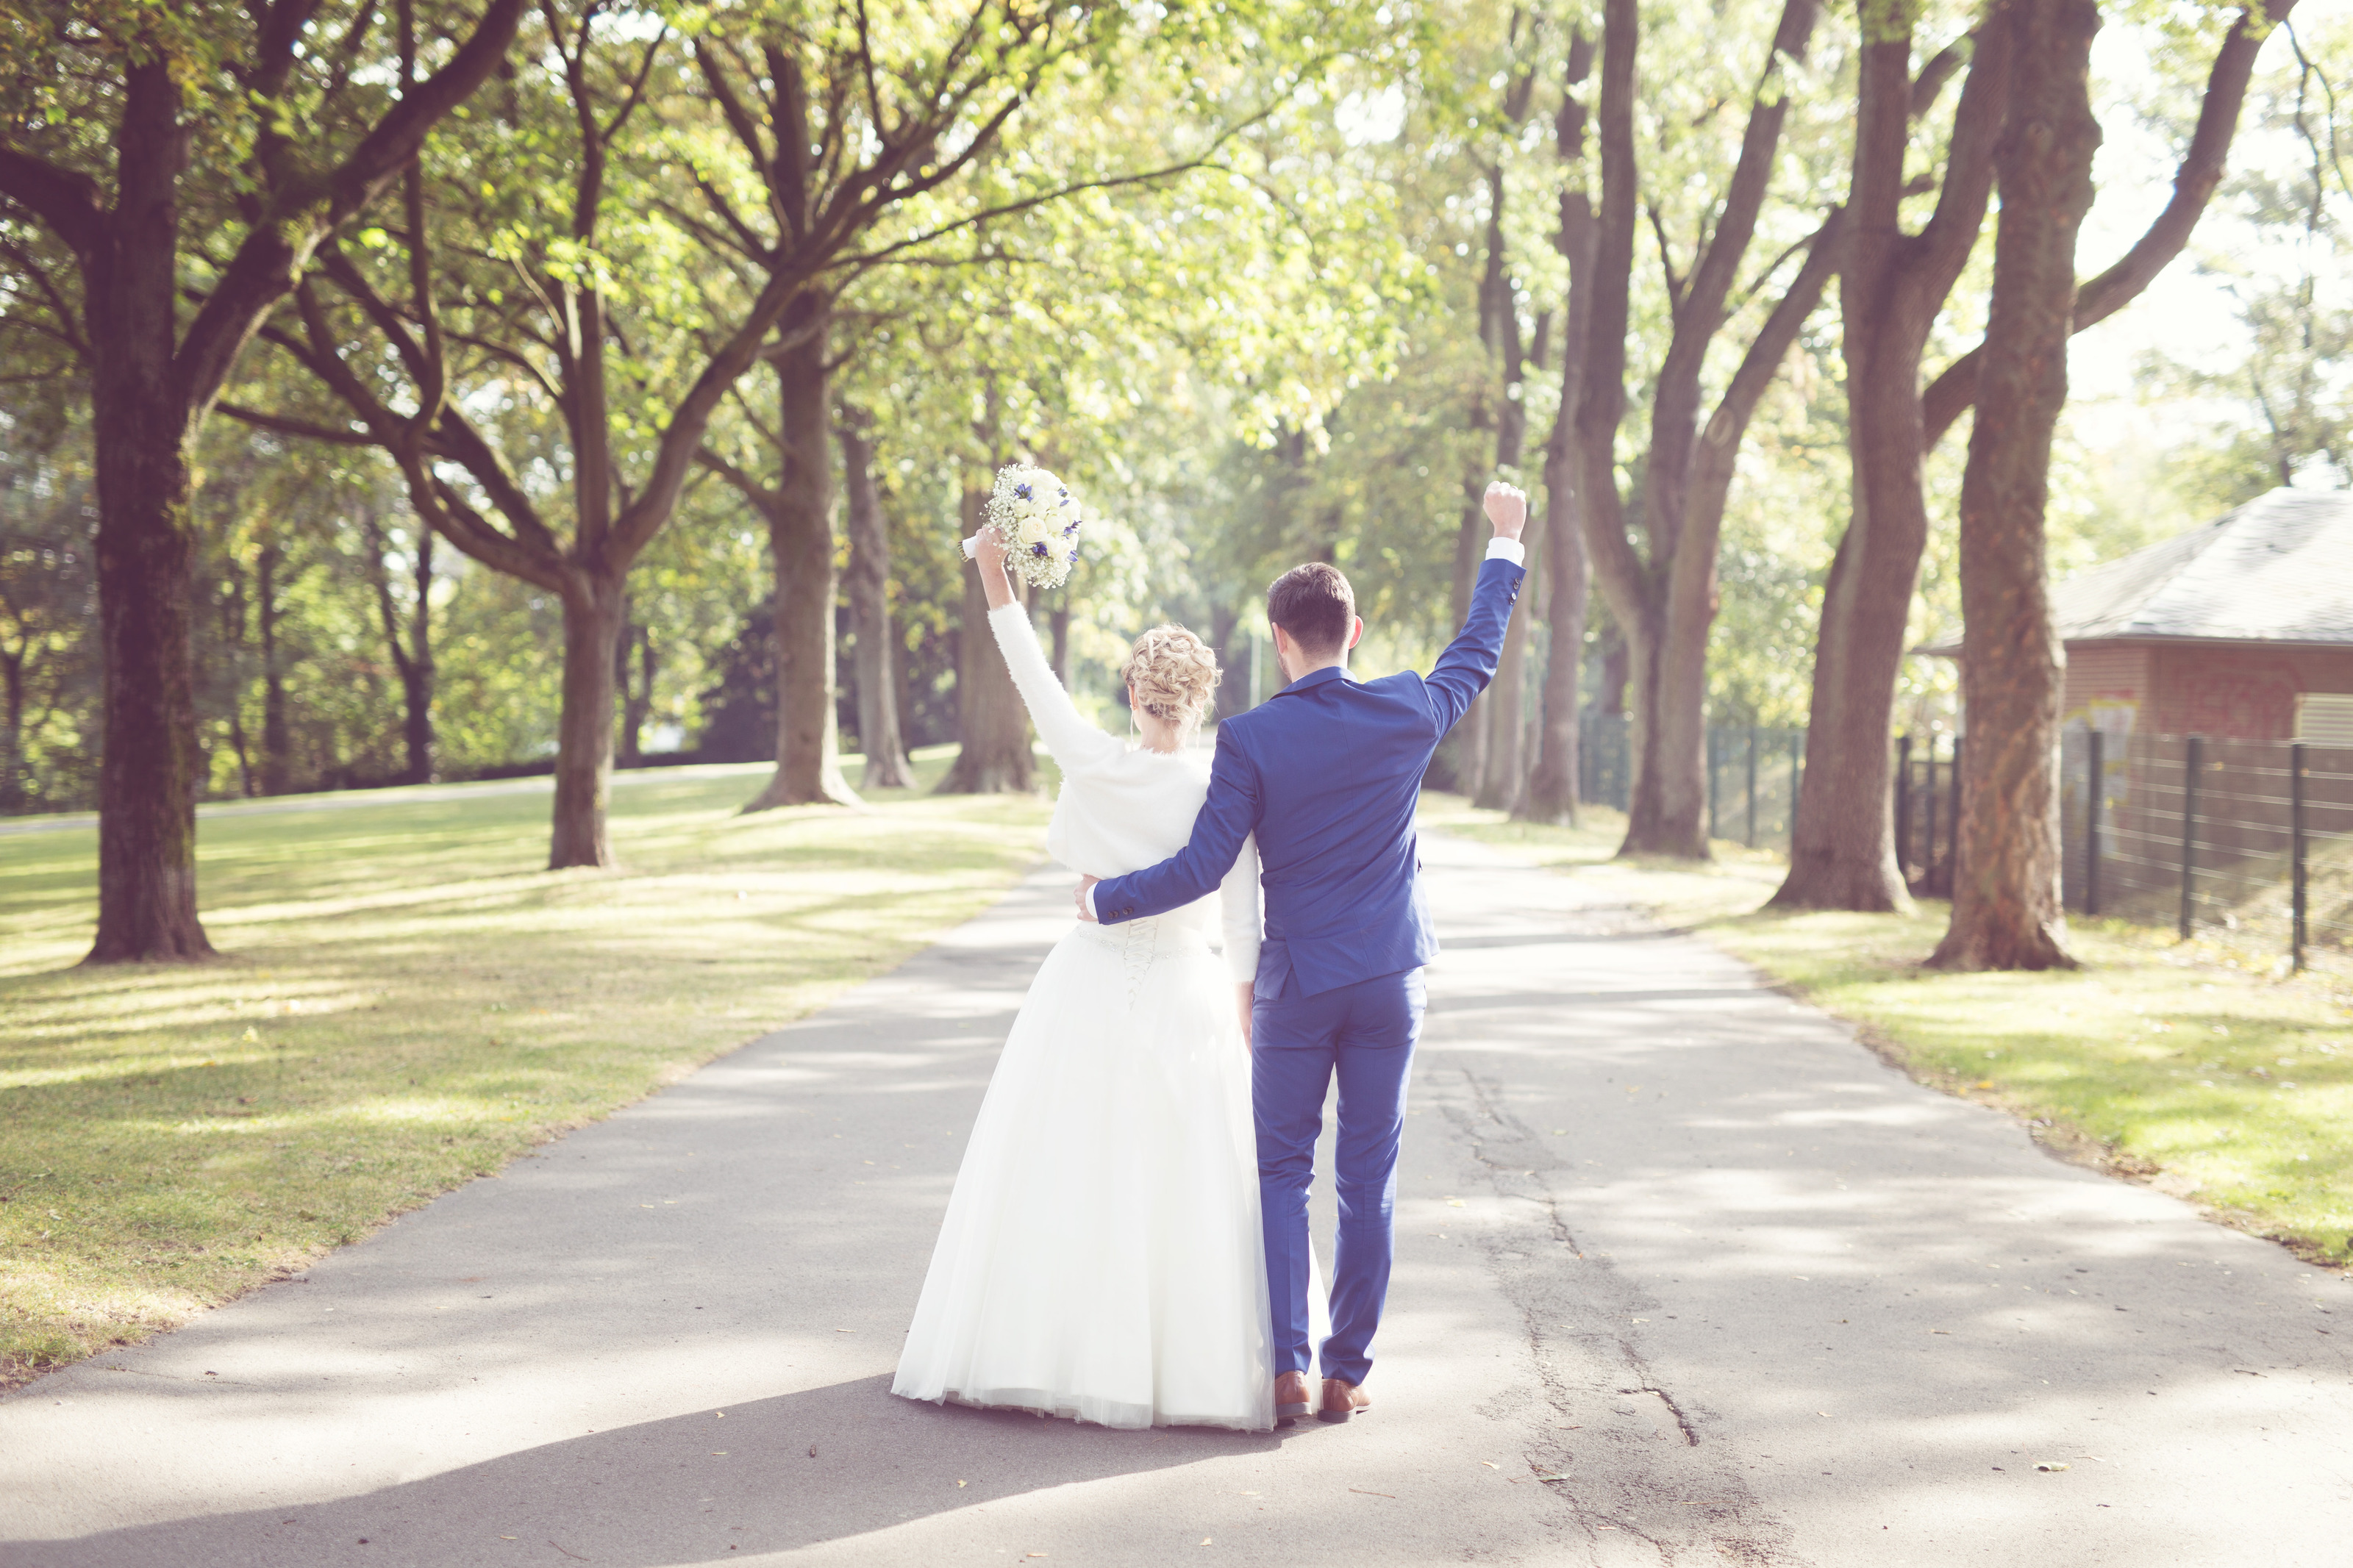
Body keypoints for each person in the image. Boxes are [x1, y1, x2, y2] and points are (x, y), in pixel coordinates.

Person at [1081, 479, 1529, 1425]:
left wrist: (1102, 899)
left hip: (1295, 987)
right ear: (1352, 630)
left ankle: (1285, 1363)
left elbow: (1203, 868)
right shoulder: (1409, 710)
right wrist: (1505, 541)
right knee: (1368, 1180)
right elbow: (1476, 653)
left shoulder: (1249, 740)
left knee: (1281, 1173)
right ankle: (1346, 1372)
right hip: (1387, 982)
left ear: (1282, 641)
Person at [890, 525, 1283, 1431]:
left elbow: (1028, 666)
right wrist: (1243, 1005)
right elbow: (1238, 912)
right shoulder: (1217, 792)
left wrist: (995, 574)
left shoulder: (1089, 758)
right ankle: (1186, 1368)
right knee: (1183, 1176)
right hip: (1188, 986)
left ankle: (1036, 1347)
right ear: (1198, 701)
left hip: (1086, 980)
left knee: (1060, 1162)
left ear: (1134, 693)